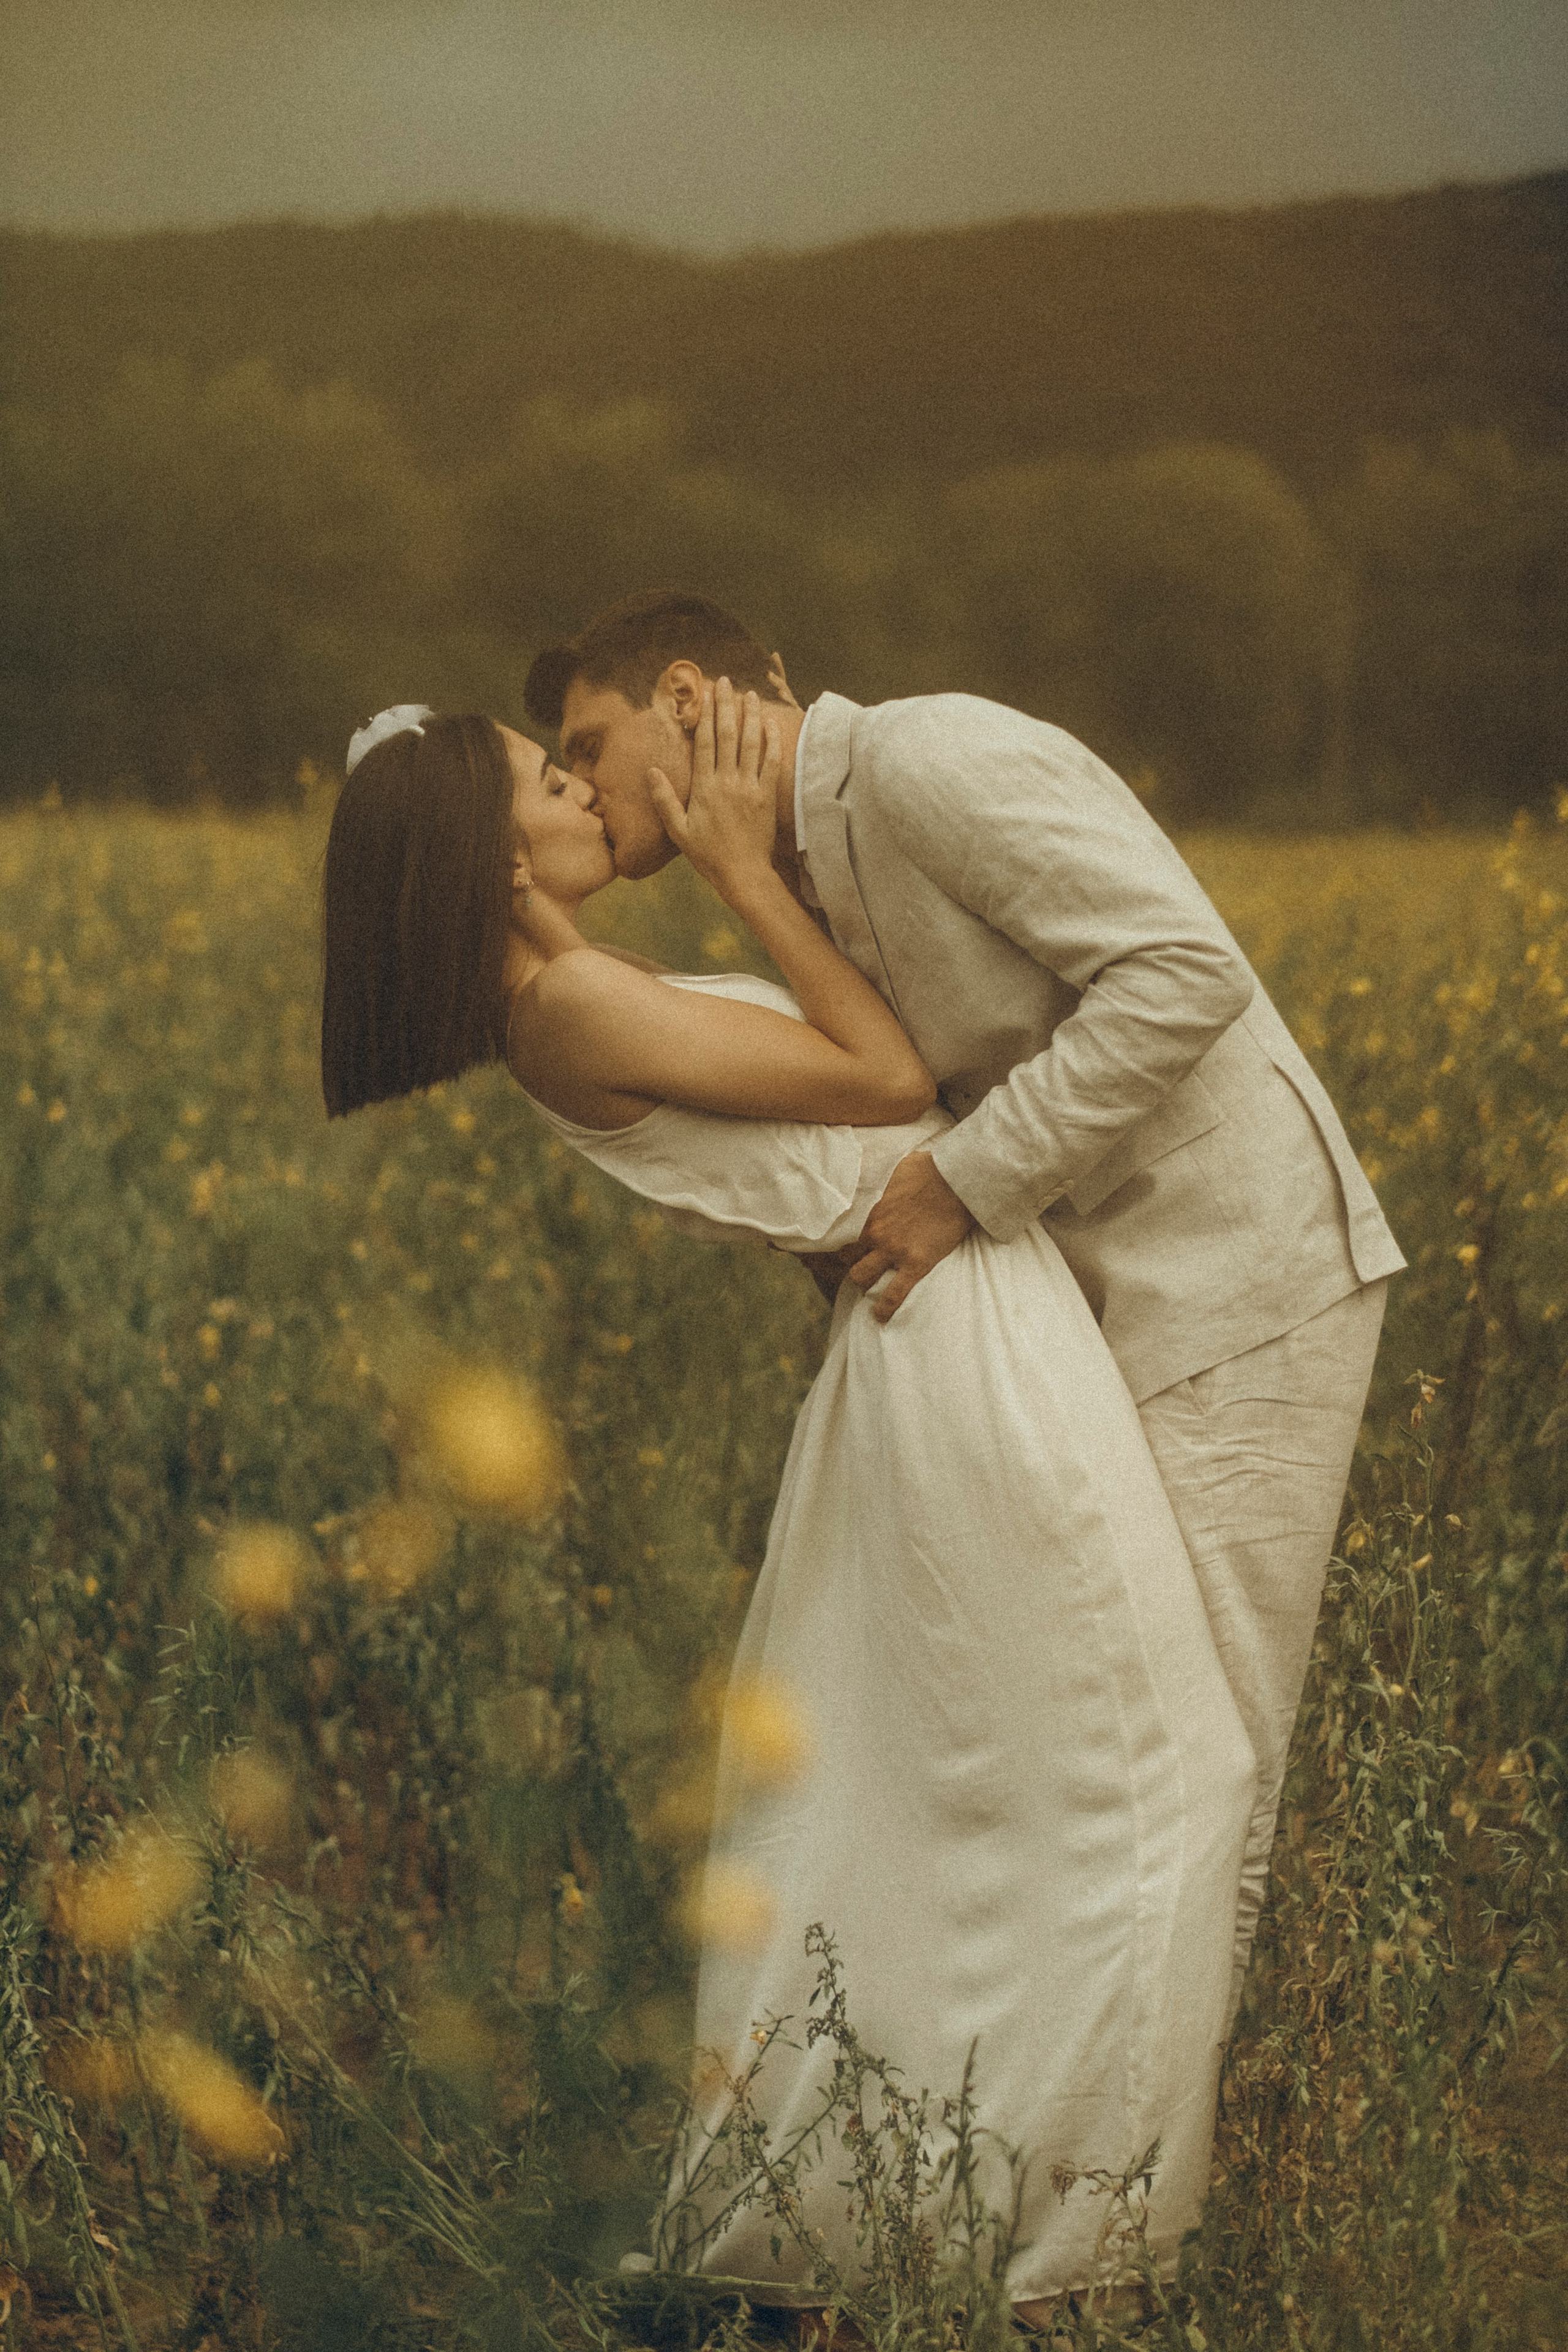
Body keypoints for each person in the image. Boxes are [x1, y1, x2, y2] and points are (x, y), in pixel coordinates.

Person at [320, 688, 1259, 2326]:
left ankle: (994, 2205)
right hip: (958, 1343)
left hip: (953, 1320)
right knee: (1139, 1772)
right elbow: (885, 1073)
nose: (589, 795)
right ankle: (1052, 2236)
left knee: (1035, 1780)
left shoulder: (577, 993)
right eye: (555, 779)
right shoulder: (573, 1011)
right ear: (496, 843)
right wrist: (746, 868)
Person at [522, 593, 1406, 2039]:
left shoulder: (928, 760)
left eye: (589, 743)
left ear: (684, 696)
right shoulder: (786, 862)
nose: (579, 787)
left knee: (1202, 1758)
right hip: (1074, 1310)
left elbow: (1184, 974)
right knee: (1097, 1743)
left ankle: (1136, 2230)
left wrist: (958, 1186)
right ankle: (1058, 2168)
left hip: (1235, 1278)